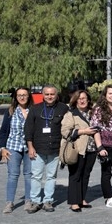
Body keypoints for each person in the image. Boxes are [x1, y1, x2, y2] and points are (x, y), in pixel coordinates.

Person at [24, 84, 69, 213]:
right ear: (43, 95)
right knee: (36, 176)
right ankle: (35, 201)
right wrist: (30, 146)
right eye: (47, 94)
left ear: (56, 95)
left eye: (52, 94)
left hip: (55, 148)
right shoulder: (35, 109)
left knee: (51, 176)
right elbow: (28, 129)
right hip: (37, 148)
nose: (49, 96)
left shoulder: (63, 108)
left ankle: (48, 201)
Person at [61, 90, 99, 212]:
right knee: (75, 175)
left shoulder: (93, 113)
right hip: (77, 149)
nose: (82, 101)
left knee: (86, 175)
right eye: (79, 98)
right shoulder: (71, 114)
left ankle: (82, 198)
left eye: (84, 98)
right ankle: (74, 202)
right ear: (75, 101)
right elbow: (65, 131)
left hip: (92, 149)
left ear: (88, 100)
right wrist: (83, 131)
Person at [0, 87, 33, 213]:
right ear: (16, 97)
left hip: (29, 147)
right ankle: (9, 203)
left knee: (29, 175)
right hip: (13, 147)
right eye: (19, 95)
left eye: (24, 95)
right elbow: (3, 132)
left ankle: (28, 201)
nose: (22, 97)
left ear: (28, 96)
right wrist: (2, 148)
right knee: (13, 175)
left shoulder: (34, 110)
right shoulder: (10, 111)